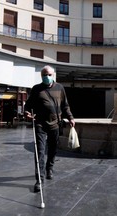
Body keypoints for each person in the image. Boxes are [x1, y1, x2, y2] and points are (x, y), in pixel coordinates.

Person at [24, 65, 75, 193]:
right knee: (40, 152)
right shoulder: (36, 89)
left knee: (52, 149)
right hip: (40, 123)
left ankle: (49, 168)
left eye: (49, 74)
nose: (47, 77)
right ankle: (39, 180)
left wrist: (70, 117)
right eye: (44, 75)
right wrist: (27, 113)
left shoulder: (60, 88)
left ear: (53, 76)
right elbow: (28, 105)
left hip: (55, 124)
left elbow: (65, 105)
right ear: (41, 76)